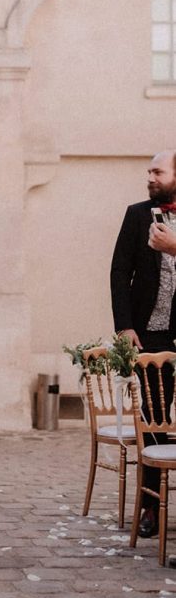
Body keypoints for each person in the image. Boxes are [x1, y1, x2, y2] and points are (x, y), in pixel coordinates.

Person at [110, 150, 176, 539]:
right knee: (153, 419)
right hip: (149, 335)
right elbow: (120, 270)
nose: (149, 176)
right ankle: (151, 506)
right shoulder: (137, 214)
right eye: (149, 170)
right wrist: (124, 327)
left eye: (158, 171)